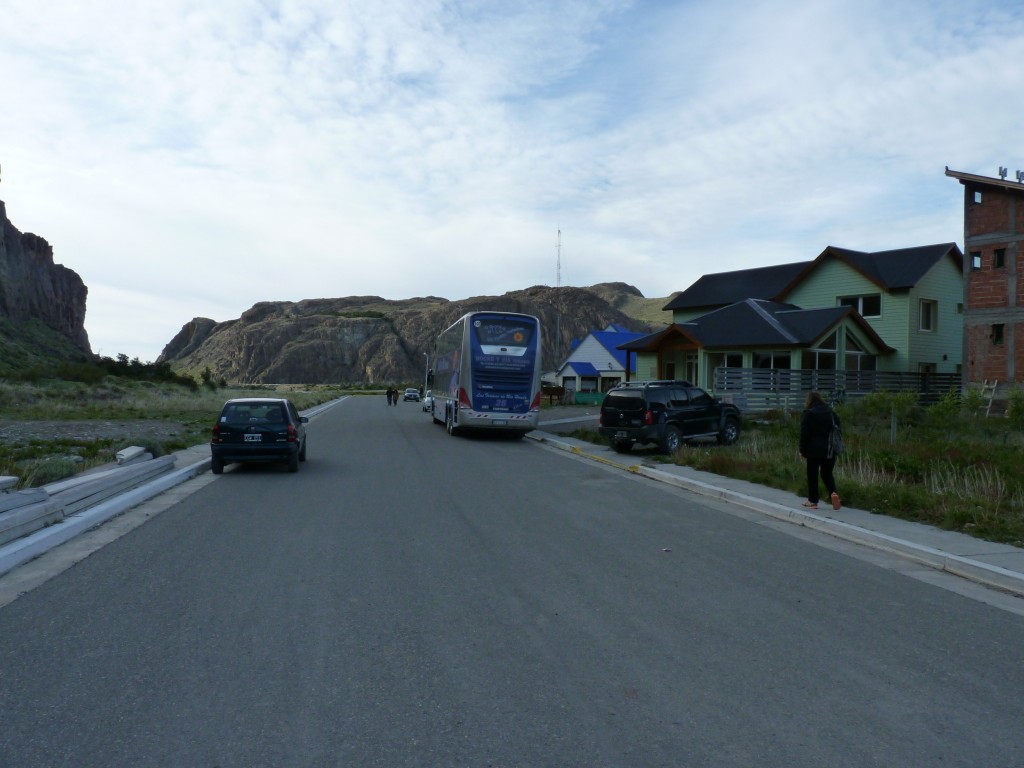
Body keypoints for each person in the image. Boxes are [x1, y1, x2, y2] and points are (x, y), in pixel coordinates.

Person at [799, 391, 841, 510]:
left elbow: (804, 434)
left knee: (812, 474)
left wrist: (802, 449)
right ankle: (833, 493)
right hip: (830, 449)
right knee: (827, 473)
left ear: (809, 401)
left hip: (813, 449)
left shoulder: (808, 414)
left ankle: (813, 501)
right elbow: (838, 430)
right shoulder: (832, 414)